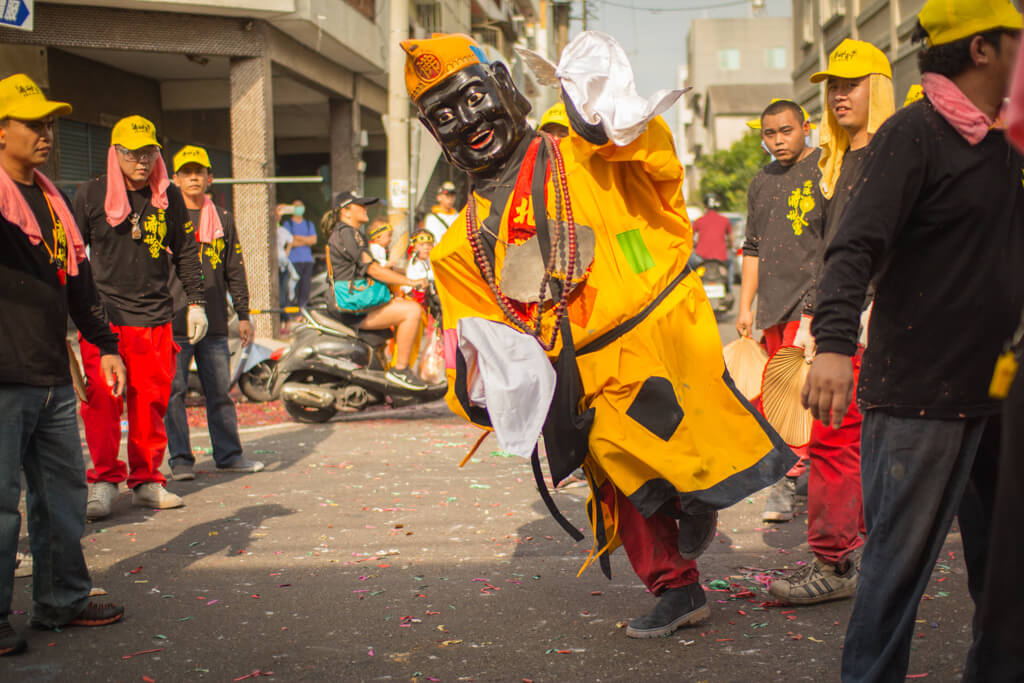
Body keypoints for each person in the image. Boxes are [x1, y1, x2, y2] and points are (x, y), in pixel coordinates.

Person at [403, 32, 795, 638]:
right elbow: (474, 337)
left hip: (656, 340)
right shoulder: (458, 245)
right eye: (444, 117)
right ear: (435, 137)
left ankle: (690, 497)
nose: (468, 123)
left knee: (677, 445)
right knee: (616, 473)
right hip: (577, 372)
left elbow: (655, 163)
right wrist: (496, 398)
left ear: (507, 88)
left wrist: (607, 115)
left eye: (474, 97)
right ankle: (676, 586)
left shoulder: (583, 153)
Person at [801, 1, 1022, 678]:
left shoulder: (1008, 142)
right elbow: (853, 247)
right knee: (895, 578)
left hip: (1000, 393)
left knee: (1008, 577)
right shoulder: (915, 134)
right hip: (921, 398)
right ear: (982, 49)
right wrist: (834, 343)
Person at [766, 38, 895, 607]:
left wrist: (858, 313)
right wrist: (815, 315)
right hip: (842, 321)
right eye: (833, 87)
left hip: (878, 323)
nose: (840, 95)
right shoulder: (836, 162)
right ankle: (854, 554)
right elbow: (832, 251)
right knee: (849, 439)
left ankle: (834, 560)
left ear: (880, 86)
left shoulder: (895, 154)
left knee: (836, 439)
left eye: (852, 83)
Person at [0, 73, 126, 656]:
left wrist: (105, 345)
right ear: (2, 133)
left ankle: (61, 600)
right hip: (3, 375)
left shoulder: (53, 202)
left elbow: (79, 285)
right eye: (35, 124)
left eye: (50, 123)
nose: (47, 134)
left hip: (50, 371)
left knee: (61, 497)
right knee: (1, 507)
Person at [73, 115, 207, 519]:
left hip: (155, 316)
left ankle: (148, 479)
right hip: (103, 318)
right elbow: (75, 257)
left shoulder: (167, 198)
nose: (142, 161)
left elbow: (185, 251)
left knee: (151, 402)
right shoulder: (89, 195)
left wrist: (196, 301)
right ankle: (103, 481)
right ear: (115, 153)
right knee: (102, 403)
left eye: (149, 153)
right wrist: (70, 319)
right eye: (133, 153)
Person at [737, 99, 824, 523]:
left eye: (785, 131)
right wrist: (745, 305)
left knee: (809, 394)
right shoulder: (761, 181)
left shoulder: (827, 168)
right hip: (772, 306)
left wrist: (820, 306)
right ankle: (799, 475)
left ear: (805, 127)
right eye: (769, 134)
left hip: (814, 303)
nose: (777, 140)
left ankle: (790, 482)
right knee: (780, 399)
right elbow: (752, 247)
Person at [164, 145, 264, 481]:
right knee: (174, 392)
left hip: (217, 322)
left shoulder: (223, 219)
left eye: (199, 172)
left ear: (210, 178)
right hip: (175, 317)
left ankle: (229, 455)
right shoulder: (164, 215)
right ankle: (180, 461)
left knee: (219, 392)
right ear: (174, 179)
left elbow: (235, 267)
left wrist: (244, 313)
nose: (193, 177)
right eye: (186, 172)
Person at [326, 191, 429, 390]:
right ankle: (400, 370)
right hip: (352, 306)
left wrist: (407, 273)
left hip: (357, 301)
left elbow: (374, 266)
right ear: (346, 212)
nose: (366, 209)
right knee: (412, 311)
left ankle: (388, 368)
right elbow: (372, 269)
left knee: (403, 306)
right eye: (361, 206)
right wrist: (411, 281)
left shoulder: (348, 233)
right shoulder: (348, 233)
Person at [286, 199, 317, 313]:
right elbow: (289, 242)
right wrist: (305, 240)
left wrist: (297, 237)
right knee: (293, 288)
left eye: (300, 206)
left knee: (305, 288)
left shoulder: (309, 224)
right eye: (296, 206)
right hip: (293, 261)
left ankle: (302, 313)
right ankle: (290, 313)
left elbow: (313, 240)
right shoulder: (288, 224)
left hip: (307, 261)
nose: (299, 208)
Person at [691, 194, 732, 264]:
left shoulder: (698, 221)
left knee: (690, 264)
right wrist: (729, 246)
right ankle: (730, 275)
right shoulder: (725, 220)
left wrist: (694, 244)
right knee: (731, 263)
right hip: (721, 258)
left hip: (701, 257)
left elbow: (690, 237)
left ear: (705, 206)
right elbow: (731, 238)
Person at [275, 203, 295, 332]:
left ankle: (287, 323)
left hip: (283, 266)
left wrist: (286, 253)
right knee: (279, 298)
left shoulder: (281, 230)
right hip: (275, 266)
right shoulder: (269, 230)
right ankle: (284, 322)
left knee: (283, 297)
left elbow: (290, 241)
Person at [402, 229, 434, 294]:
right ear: (414, 248)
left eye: (429, 244)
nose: (426, 248)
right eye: (422, 245)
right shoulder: (415, 262)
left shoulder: (427, 260)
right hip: (416, 295)